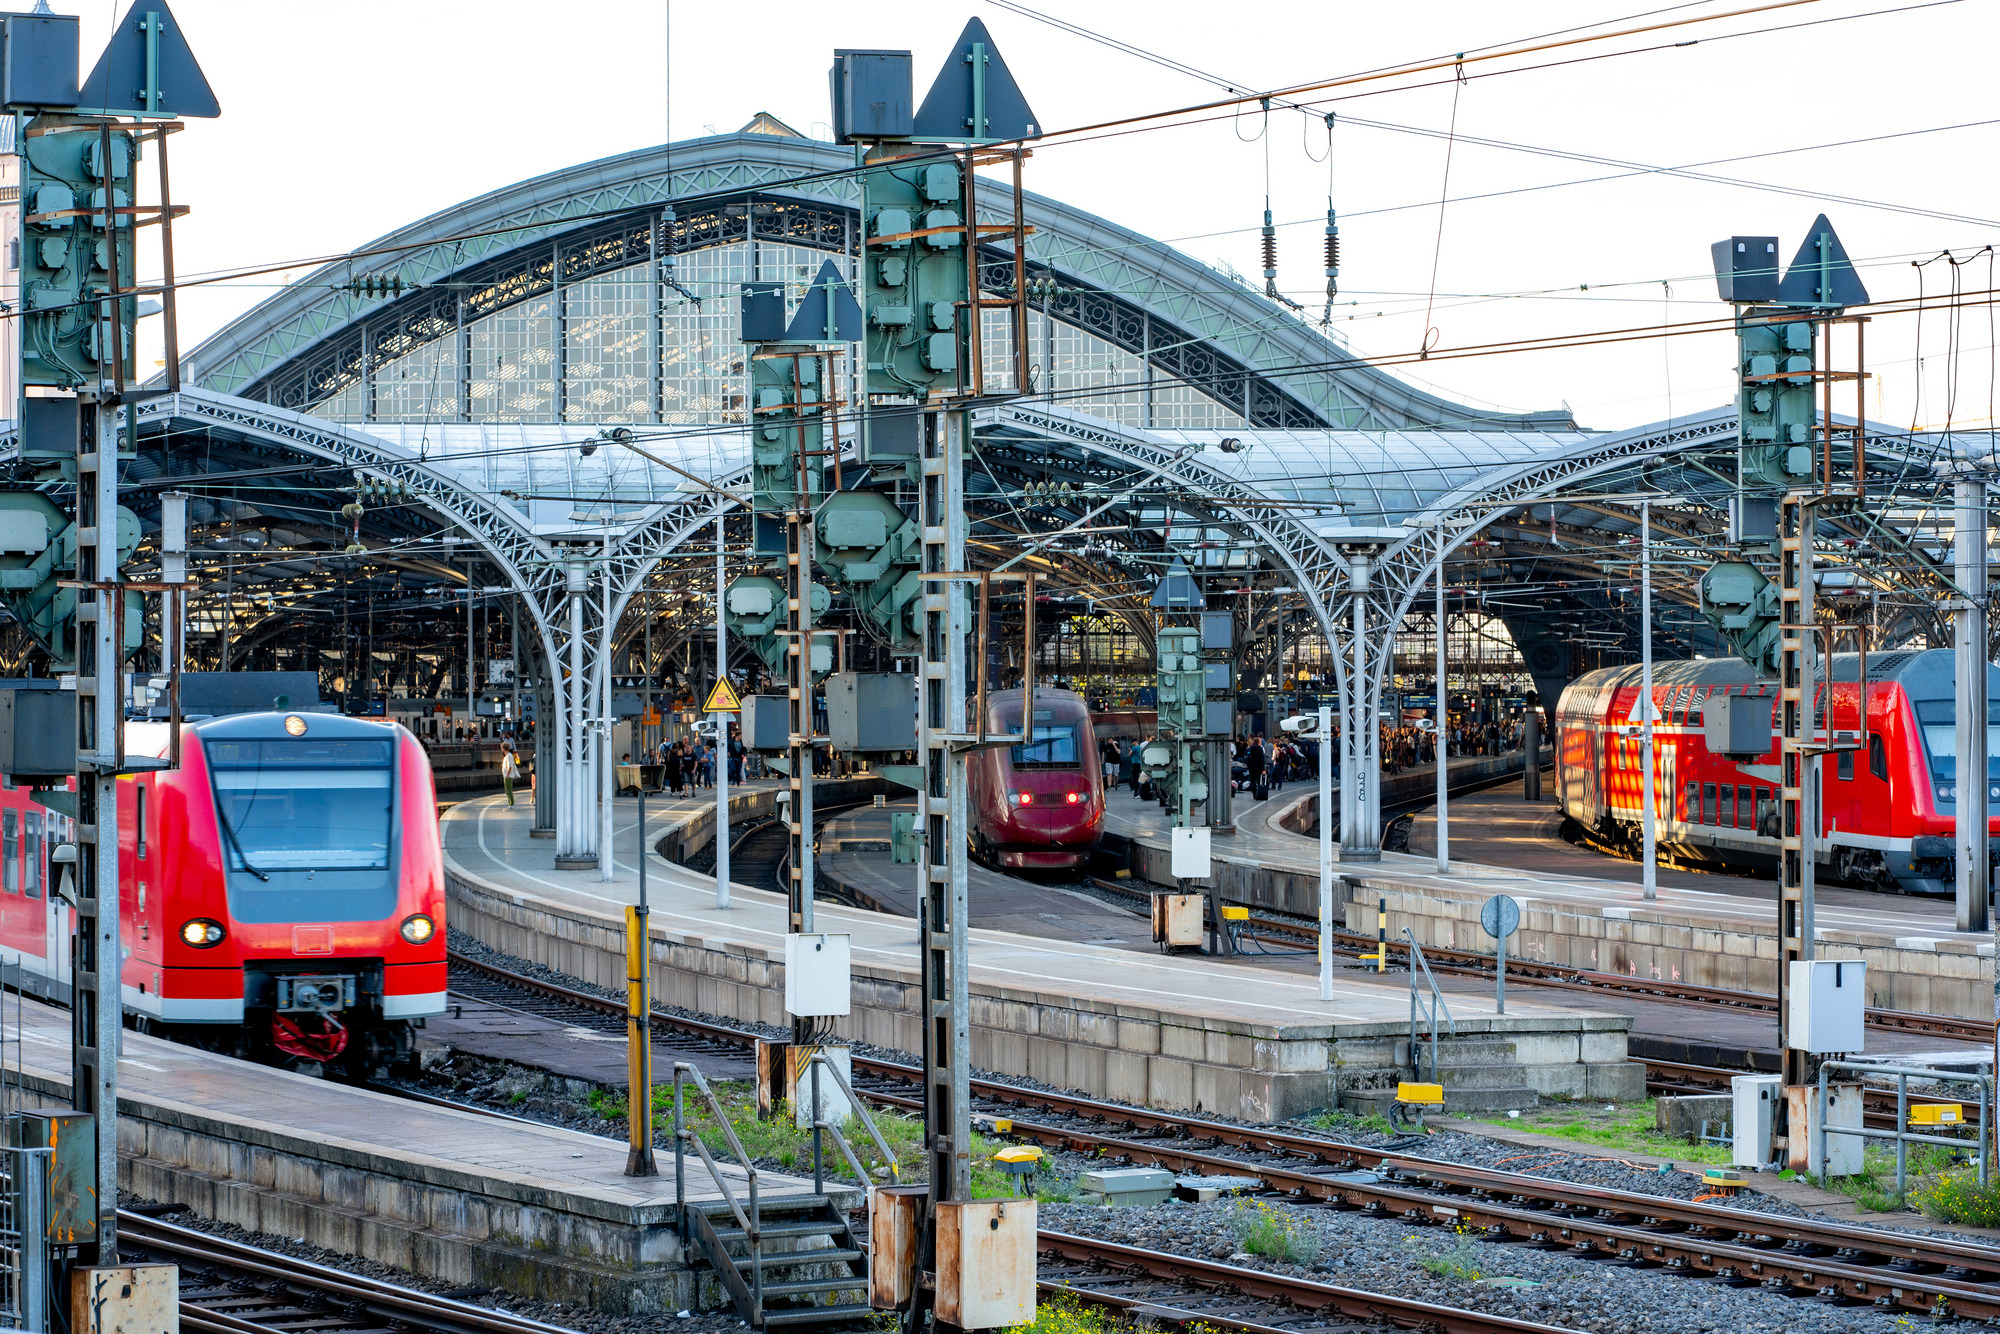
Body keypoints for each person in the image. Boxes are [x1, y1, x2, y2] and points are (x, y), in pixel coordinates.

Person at [500, 741, 520, 808]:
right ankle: (510, 803)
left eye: (502, 748)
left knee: (509, 790)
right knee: (507, 790)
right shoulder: (507, 756)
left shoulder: (509, 756)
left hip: (508, 775)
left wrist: (508, 775)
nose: (501, 749)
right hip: (506, 775)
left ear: (504, 748)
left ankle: (511, 803)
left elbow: (510, 766)